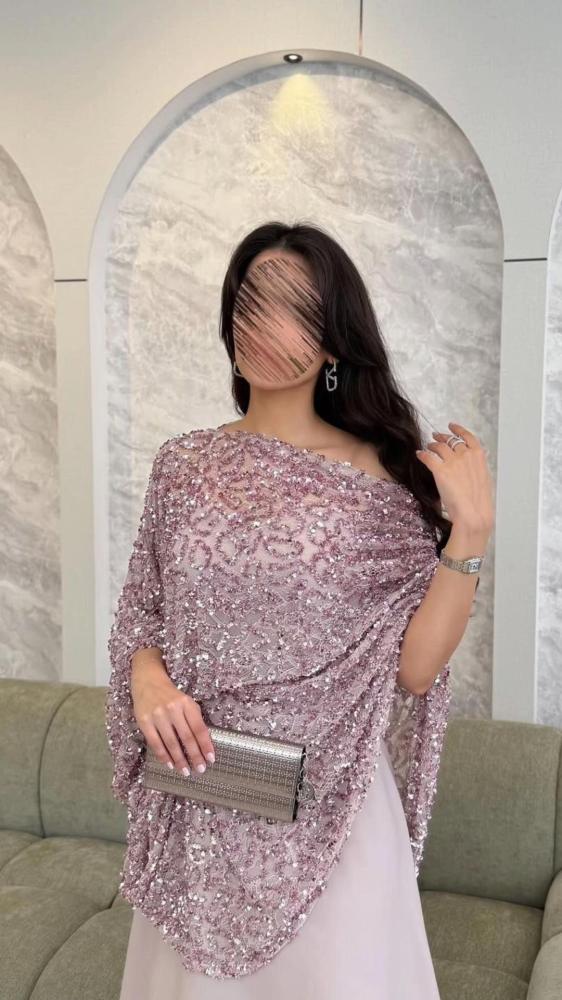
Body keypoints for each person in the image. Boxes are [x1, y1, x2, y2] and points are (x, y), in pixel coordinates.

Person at [107, 221, 493, 998]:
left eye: (293, 308)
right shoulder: (182, 465)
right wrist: (148, 681)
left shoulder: (381, 481)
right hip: (202, 801)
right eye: (251, 300)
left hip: (333, 812)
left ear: (333, 342)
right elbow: (143, 612)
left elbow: (415, 672)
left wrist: (473, 531)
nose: (262, 323)